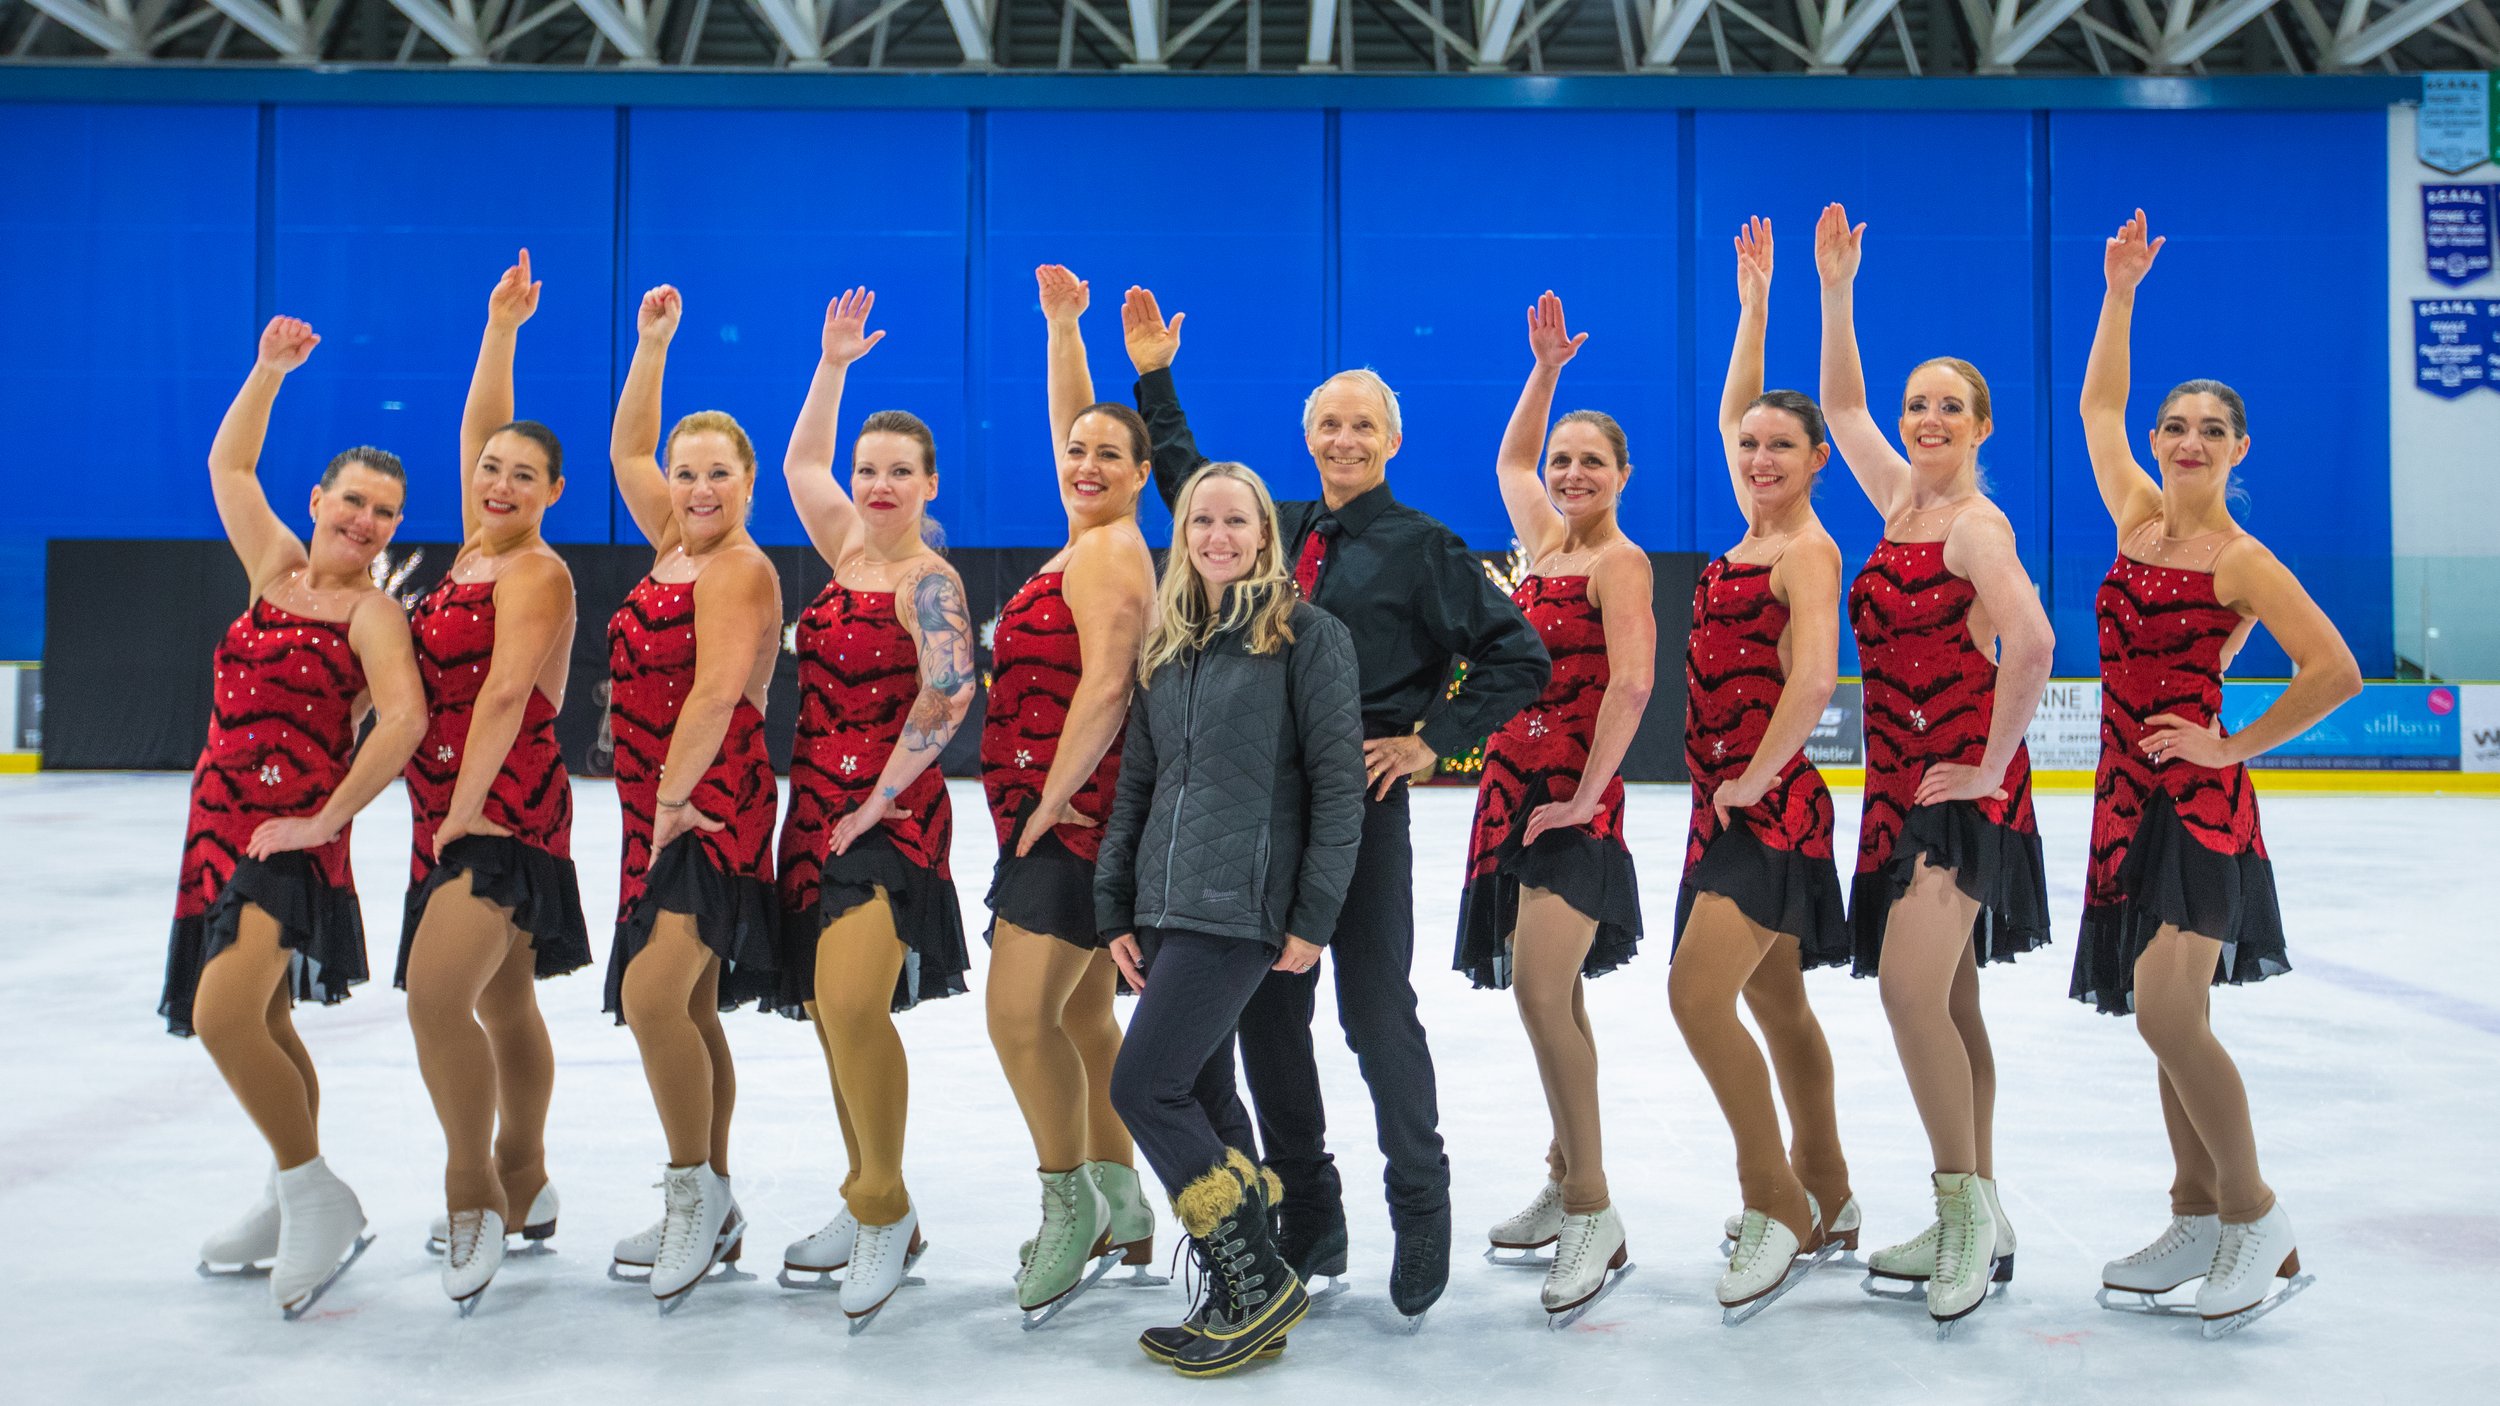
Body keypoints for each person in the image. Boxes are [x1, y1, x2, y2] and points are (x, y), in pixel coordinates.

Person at [1123, 286, 1550, 1318]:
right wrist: (1153, 379)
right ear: (1306, 435)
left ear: (1392, 437)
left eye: (1363, 422)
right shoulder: (1282, 527)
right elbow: (1194, 491)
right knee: (1271, 1014)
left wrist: (1430, 738)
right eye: (1329, 422)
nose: (1344, 437)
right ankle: (1310, 1210)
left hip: (1359, 808)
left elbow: (1517, 654)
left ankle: (1420, 1198)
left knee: (1371, 1011)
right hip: (1262, 820)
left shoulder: (1424, 547)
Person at [2074, 211, 2357, 1335]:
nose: (2189, 441)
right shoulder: (2137, 521)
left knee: (2166, 1009)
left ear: (2240, 449)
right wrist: (2120, 294)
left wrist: (2229, 743)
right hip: (2118, 800)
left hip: (2196, 807)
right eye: (2176, 425)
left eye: (2211, 430)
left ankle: (2257, 1216)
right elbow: (2097, 408)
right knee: (2159, 1015)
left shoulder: (2240, 559)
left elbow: (2330, 667)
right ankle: (2193, 1211)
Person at [1816, 203, 2055, 1331]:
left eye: (1945, 406)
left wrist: (1991, 765)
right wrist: (1835, 289)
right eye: (1917, 404)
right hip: (1896, 789)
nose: (1921, 418)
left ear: (1980, 424)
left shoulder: (1970, 524)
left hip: (1954, 799)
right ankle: (1985, 1206)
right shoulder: (1897, 501)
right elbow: (1840, 406)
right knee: (1950, 1003)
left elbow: (2037, 643)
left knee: (1913, 992)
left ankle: (1960, 1210)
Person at [162, 316, 427, 1317]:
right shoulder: (273, 567)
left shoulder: (372, 612)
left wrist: (325, 819)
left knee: (223, 1013)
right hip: (214, 830)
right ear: (318, 501)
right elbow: (230, 463)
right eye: (353, 499)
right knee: (263, 1016)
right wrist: (268, 373)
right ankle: (291, 1194)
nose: (365, 519)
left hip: (289, 841)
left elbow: (402, 718)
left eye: (385, 512)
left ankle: (317, 1187)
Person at [1098, 461, 1364, 1375]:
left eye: (1236, 521)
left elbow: (1338, 792)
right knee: (1206, 1097)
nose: (1218, 536)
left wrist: (1313, 917)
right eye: (1201, 521)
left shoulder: (1308, 638)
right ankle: (1246, 1288)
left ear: (1264, 535)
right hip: (1167, 908)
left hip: (1240, 908)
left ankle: (1256, 1282)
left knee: (1143, 1088)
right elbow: (1139, 784)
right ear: (1183, 536)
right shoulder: (1171, 645)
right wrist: (1115, 908)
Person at [771, 287, 976, 1328]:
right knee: (820, 1014)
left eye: (900, 471)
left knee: (853, 1004)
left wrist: (877, 800)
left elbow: (949, 697)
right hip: (810, 810)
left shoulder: (930, 580)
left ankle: (887, 1205)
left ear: (929, 484)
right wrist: (833, 362)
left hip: (886, 822)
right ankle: (865, 1197)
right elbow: (802, 464)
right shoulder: (849, 548)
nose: (878, 483)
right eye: (870, 470)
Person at [1670, 220, 1860, 1322]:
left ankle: (1773, 1196)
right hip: (1722, 804)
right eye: (1749, 445)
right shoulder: (1743, 532)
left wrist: (1754, 777)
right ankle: (1829, 1189)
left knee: (1697, 997)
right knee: (1779, 1007)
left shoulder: (1806, 548)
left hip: (1767, 807)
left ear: (1816, 457)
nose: (1758, 455)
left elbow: (1816, 678)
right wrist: (1753, 304)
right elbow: (1732, 405)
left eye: (1781, 445)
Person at [399, 250, 593, 1313]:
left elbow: (510, 691)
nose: (500, 480)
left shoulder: (536, 569)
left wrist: (467, 806)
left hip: (503, 805)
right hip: (445, 800)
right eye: (491, 469)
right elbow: (481, 427)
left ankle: (471, 1188)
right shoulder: (466, 552)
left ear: (553, 494)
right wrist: (502, 329)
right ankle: (528, 1173)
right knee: (506, 999)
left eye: (524, 474)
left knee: (439, 996)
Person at [1454, 292, 1652, 1323]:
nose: (1569, 474)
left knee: (1541, 991)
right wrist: (1545, 375)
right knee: (1553, 998)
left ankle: (1593, 1208)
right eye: (1565, 461)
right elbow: (1509, 463)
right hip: (1509, 793)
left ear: (1624, 478)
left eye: (1593, 464)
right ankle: (1564, 1164)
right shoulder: (1542, 541)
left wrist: (1582, 798)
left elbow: (1628, 686)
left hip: (1574, 803)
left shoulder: (1617, 561)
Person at [979, 266, 1161, 1317]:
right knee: (1087, 1015)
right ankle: (1123, 1194)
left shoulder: (1110, 558)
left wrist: (1047, 804)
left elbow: (1104, 685)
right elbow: (1076, 421)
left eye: (1108, 454)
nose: (1085, 461)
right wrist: (1062, 329)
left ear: (1142, 473)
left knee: (1018, 1017)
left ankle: (1069, 1203)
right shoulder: (1090, 535)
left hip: (1074, 823)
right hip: (1056, 813)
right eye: (1075, 451)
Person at [603, 284, 785, 1310]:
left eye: (718, 472)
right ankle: (708, 1196)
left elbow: (718, 690)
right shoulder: (672, 540)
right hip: (653, 797)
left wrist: (672, 796)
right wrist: (652, 345)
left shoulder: (739, 567)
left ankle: (693, 1190)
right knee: (692, 1004)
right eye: (687, 472)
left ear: (748, 482)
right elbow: (629, 446)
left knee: (652, 994)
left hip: (706, 799)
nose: (698, 486)